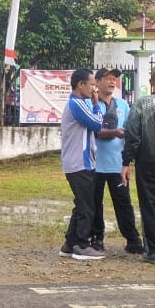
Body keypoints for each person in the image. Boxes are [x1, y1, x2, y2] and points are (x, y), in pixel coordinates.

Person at [91, 67, 144, 255]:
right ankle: (96, 238)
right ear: (97, 82)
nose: (112, 82)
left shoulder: (122, 105)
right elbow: (94, 131)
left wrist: (127, 162)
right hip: (95, 164)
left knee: (124, 204)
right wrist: (115, 132)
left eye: (114, 79)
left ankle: (133, 240)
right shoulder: (91, 104)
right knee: (95, 204)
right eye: (107, 78)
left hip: (117, 164)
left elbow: (131, 130)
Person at [121, 62, 155, 265]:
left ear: (151, 82)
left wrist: (126, 161)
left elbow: (132, 134)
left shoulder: (141, 104)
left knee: (149, 206)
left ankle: (154, 252)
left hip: (147, 163)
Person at [59, 68, 105, 260]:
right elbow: (97, 124)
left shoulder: (78, 103)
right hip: (80, 163)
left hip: (79, 162)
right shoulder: (77, 104)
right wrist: (96, 105)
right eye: (92, 84)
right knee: (87, 206)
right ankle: (82, 244)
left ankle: (69, 244)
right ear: (81, 84)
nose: (95, 89)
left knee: (81, 204)